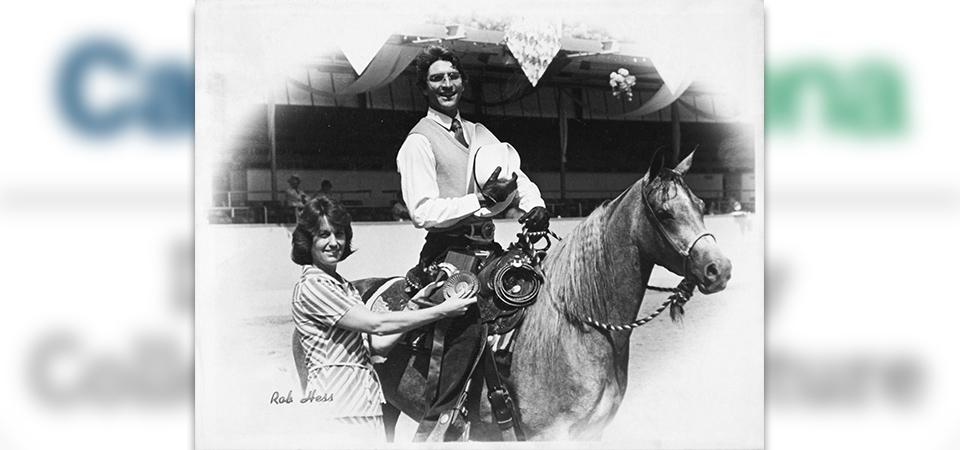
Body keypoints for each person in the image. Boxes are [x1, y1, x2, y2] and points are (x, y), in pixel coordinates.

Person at [394, 45, 551, 440]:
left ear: (462, 81)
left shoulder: (479, 133)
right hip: (448, 252)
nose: (446, 84)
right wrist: (479, 200)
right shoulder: (418, 142)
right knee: (468, 319)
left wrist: (535, 206)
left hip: (487, 247)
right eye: (436, 79)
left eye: (452, 76)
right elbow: (422, 211)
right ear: (424, 88)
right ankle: (441, 420)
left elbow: (517, 176)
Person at [290, 196, 476, 442]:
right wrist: (442, 311)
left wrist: (413, 305)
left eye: (339, 234)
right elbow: (376, 325)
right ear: (308, 240)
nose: (334, 242)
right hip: (335, 410)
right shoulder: (313, 285)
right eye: (324, 235)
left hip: (365, 407)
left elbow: (377, 347)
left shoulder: (344, 287)